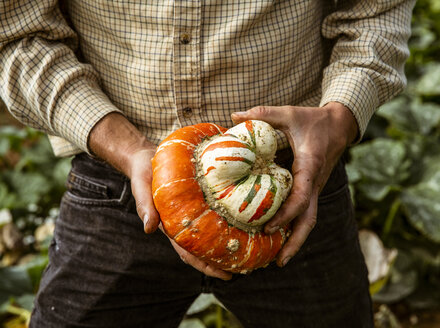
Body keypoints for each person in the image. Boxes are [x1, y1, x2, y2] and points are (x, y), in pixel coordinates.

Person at [0, 0, 414, 327]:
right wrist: (127, 148)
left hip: (293, 184)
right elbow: (17, 36)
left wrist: (338, 117)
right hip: (116, 182)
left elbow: (375, 12)